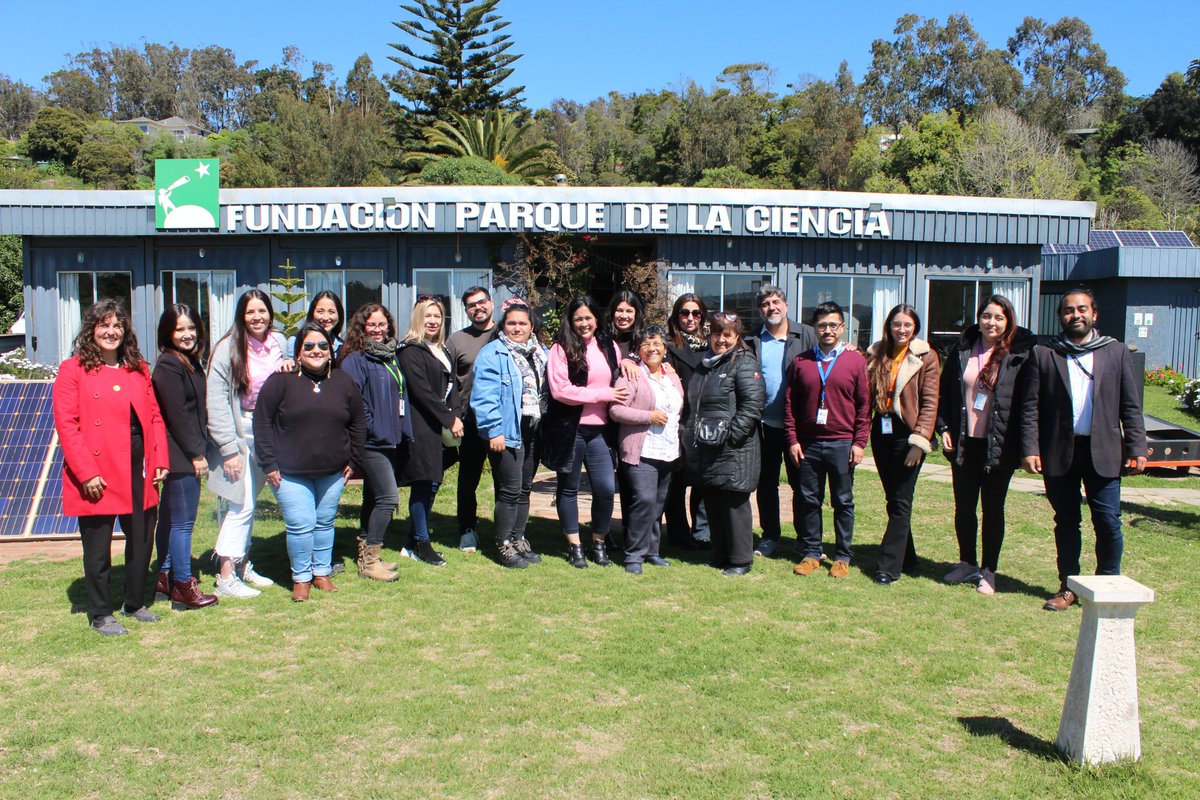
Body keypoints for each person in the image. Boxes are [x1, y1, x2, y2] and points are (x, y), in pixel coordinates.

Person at [1019, 287, 1147, 611]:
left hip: (1103, 450)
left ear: (1094, 314)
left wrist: (1137, 446)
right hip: (1059, 452)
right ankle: (1068, 586)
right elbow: (1030, 407)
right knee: (1066, 521)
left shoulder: (1115, 352)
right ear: (1060, 316)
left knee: (1108, 521)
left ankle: (1106, 583)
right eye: (1068, 311)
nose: (1075, 315)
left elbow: (1131, 405)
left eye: (1081, 309)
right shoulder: (1044, 354)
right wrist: (1029, 448)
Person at [53, 300, 170, 636]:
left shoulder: (138, 368)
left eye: (117, 325)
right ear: (91, 330)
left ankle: (134, 603)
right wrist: (85, 472)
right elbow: (68, 425)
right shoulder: (72, 369)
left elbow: (153, 417)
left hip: (138, 466)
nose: (111, 331)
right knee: (98, 546)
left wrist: (160, 458)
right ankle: (101, 613)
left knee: (142, 538)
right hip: (97, 471)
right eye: (103, 325)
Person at [255, 323, 365, 601]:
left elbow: (358, 422)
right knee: (301, 523)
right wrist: (268, 463)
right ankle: (301, 578)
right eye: (309, 346)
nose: (316, 350)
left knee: (325, 523)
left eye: (323, 346)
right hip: (289, 472)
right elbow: (262, 422)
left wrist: (354, 458)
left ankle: (321, 573)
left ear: (330, 350)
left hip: (333, 471)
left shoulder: (343, 381)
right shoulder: (281, 380)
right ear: (298, 351)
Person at [937, 295, 1036, 595]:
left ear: (1008, 322)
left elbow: (1026, 402)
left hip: (999, 447)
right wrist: (943, 427)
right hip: (965, 444)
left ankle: (988, 571)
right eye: (986, 316)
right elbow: (946, 392)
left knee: (993, 509)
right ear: (978, 318)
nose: (991, 322)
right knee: (964, 507)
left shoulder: (1019, 354)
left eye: (999, 317)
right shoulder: (963, 350)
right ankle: (967, 562)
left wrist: (1025, 446)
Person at [206, 289, 294, 598]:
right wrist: (229, 448)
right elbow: (216, 402)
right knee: (240, 503)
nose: (257, 317)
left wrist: (287, 364)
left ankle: (243, 564)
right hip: (239, 431)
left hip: (268, 431)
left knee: (251, 502)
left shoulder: (278, 343)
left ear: (270, 313)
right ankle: (226, 575)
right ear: (241, 316)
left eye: (262, 311)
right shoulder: (227, 349)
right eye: (250, 312)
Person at [783, 302, 870, 579]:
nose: (828, 330)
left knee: (843, 501)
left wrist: (859, 442)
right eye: (822, 325)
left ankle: (843, 556)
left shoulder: (856, 361)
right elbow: (789, 405)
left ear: (842, 327)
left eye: (833, 325)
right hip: (808, 444)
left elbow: (864, 405)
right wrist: (793, 440)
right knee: (809, 500)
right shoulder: (801, 362)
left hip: (842, 443)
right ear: (815, 328)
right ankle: (812, 553)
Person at [543, 296, 627, 568]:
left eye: (588, 317)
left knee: (604, 488)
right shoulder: (560, 349)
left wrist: (629, 364)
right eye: (578, 318)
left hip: (601, 431)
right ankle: (575, 546)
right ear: (570, 321)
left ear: (597, 319)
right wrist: (602, 394)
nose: (583, 323)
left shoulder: (609, 346)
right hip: (571, 429)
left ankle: (599, 543)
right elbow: (561, 390)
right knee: (568, 489)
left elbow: (620, 375)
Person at [683, 312, 765, 576]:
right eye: (717, 334)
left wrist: (731, 436)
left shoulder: (744, 362)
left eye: (727, 335)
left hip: (734, 448)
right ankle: (719, 554)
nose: (721, 340)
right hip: (708, 445)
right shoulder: (707, 364)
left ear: (737, 337)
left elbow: (752, 407)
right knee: (714, 501)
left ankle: (741, 559)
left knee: (733, 503)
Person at [471, 301, 548, 569]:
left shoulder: (541, 352)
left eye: (522, 323)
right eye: (511, 323)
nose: (517, 328)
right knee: (509, 491)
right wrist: (494, 430)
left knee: (525, 490)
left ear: (531, 327)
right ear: (504, 325)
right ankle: (503, 544)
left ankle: (518, 539)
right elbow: (484, 397)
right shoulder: (493, 354)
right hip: (506, 432)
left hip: (532, 431)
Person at [151, 304, 219, 610]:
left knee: (170, 519)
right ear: (168, 333)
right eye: (180, 329)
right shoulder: (169, 365)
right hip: (180, 453)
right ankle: (184, 585)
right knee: (182, 523)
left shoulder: (189, 362)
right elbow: (177, 415)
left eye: (191, 327)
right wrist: (196, 454)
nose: (187, 334)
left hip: (183, 451)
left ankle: (164, 577)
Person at [866, 304, 940, 585]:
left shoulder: (926, 356)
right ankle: (908, 558)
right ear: (889, 326)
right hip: (881, 432)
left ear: (915, 328)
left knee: (901, 499)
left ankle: (888, 565)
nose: (902, 329)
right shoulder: (877, 353)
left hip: (908, 433)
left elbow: (931, 401)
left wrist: (919, 442)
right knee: (893, 498)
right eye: (897, 324)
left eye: (907, 325)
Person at [339, 303, 412, 581]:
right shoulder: (355, 360)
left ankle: (366, 555)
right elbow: (355, 402)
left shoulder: (389, 357)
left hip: (390, 440)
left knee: (372, 497)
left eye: (382, 324)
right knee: (388, 498)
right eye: (372, 325)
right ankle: (371, 560)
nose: (378, 329)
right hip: (370, 442)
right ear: (362, 327)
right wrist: (371, 429)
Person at [742, 285, 816, 558]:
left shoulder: (806, 334)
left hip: (798, 425)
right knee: (766, 482)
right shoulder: (751, 338)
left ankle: (805, 539)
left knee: (802, 484)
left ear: (785, 304)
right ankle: (770, 536)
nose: (771, 307)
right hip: (763, 424)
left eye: (775, 302)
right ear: (759, 309)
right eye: (765, 303)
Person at [610, 325, 684, 574]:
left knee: (658, 503)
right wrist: (648, 416)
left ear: (665, 348)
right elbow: (616, 410)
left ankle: (653, 550)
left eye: (657, 345)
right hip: (641, 449)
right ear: (638, 350)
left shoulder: (672, 376)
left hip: (668, 449)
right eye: (646, 345)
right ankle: (633, 555)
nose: (652, 349)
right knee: (644, 499)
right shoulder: (631, 375)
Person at [397, 296, 464, 567]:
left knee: (433, 482)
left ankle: (411, 542)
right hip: (421, 424)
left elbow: (452, 388)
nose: (433, 321)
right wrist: (449, 419)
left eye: (437, 316)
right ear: (417, 319)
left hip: (440, 425)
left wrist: (455, 414)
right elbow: (422, 392)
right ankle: (422, 544)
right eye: (428, 316)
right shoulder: (410, 349)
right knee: (424, 483)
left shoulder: (441, 350)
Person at [446, 285, 495, 554]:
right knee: (468, 480)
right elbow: (448, 383)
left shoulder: (507, 332)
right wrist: (454, 416)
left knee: (505, 480)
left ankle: (506, 532)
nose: (478, 308)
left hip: (502, 422)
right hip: (470, 421)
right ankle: (467, 529)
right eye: (471, 305)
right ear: (466, 310)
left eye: (481, 302)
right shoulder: (456, 341)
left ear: (491, 303)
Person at [663, 293, 710, 549]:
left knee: (703, 481)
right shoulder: (669, 345)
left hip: (708, 423)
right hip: (680, 422)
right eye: (684, 312)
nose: (690, 318)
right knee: (678, 481)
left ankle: (702, 532)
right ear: (676, 315)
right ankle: (679, 534)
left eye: (696, 313)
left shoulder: (712, 345)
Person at [287, 290, 345, 357]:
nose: (325, 318)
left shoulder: (342, 346)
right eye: (320, 311)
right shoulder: (295, 341)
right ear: (312, 313)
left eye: (331, 312)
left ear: (339, 315)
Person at [608, 290, 645, 359]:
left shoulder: (644, 341)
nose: (624, 316)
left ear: (636, 314)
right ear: (612, 313)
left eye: (629, 311)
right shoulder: (603, 340)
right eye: (619, 310)